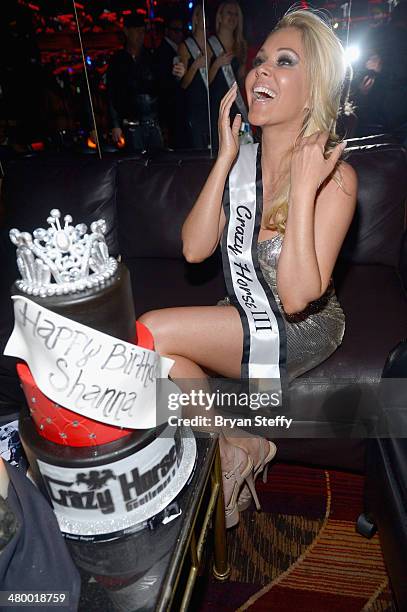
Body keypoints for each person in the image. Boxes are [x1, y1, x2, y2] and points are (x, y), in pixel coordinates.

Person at [139, 9, 357, 527]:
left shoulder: (337, 177)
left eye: (284, 62)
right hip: (244, 305)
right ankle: (237, 447)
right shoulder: (242, 164)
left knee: (149, 331)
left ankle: (231, 449)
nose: (261, 71)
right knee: (157, 356)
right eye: (260, 60)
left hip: (301, 326)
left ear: (312, 91)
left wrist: (303, 189)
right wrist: (224, 156)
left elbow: (300, 295)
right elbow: (194, 249)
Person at [107, 14, 163, 153]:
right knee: (135, 164)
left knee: (157, 164)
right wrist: (115, 124)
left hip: (153, 122)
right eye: (136, 30)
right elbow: (111, 92)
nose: (140, 35)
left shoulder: (151, 57)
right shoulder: (118, 60)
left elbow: (161, 88)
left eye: (142, 31)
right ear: (127, 31)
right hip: (131, 124)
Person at [208, 1, 248, 149]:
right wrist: (217, 64)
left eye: (236, 14)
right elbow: (204, 83)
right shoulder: (209, 44)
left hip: (236, 105)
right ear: (220, 17)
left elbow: (242, 82)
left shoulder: (241, 45)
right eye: (229, 13)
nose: (232, 17)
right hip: (216, 105)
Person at [178, 5, 212, 149]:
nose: (204, 18)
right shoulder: (185, 46)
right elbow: (183, 84)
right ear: (196, 19)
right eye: (201, 15)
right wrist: (195, 66)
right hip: (195, 105)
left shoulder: (213, 44)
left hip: (211, 103)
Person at [154, 14, 187, 148]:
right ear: (167, 31)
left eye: (181, 30)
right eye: (176, 30)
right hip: (169, 106)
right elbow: (164, 83)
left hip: (175, 105)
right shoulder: (163, 52)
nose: (180, 34)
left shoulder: (177, 49)